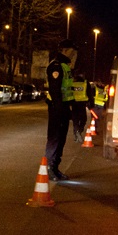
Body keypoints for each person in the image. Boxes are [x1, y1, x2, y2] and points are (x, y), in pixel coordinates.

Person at [44, 39, 77, 181]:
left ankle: (55, 167)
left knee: (61, 139)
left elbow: (68, 89)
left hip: (64, 108)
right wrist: (60, 109)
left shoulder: (65, 66)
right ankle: (49, 169)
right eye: (71, 50)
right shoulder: (56, 66)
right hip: (57, 108)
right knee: (54, 138)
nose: (73, 54)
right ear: (63, 50)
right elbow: (55, 90)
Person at [70, 72, 89, 140]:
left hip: (74, 103)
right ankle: (79, 131)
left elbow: (69, 93)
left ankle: (76, 133)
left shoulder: (72, 84)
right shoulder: (85, 84)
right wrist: (90, 104)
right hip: (82, 104)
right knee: (83, 119)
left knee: (75, 120)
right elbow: (89, 93)